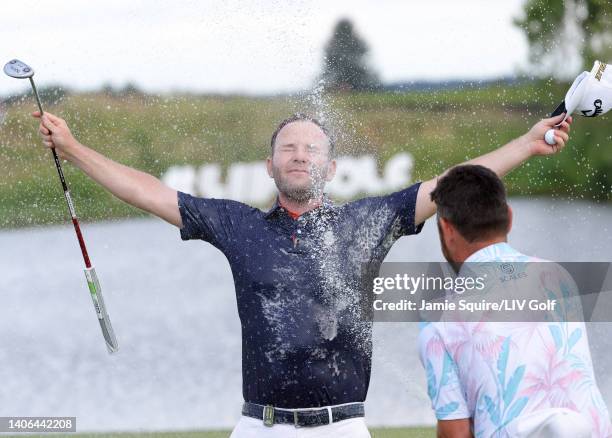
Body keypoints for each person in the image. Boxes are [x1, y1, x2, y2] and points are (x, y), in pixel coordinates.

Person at [34, 109, 570, 437]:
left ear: (331, 169)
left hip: (344, 427)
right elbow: (148, 191)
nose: (299, 154)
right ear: (269, 165)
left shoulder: (367, 222)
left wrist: (526, 142)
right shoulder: (238, 225)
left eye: (312, 147)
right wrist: (74, 148)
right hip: (258, 425)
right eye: (288, 147)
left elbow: (454, 182)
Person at [419, 164, 612, 438]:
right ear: (509, 218)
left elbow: (456, 433)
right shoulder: (557, 277)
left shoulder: (439, 318)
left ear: (446, 229)